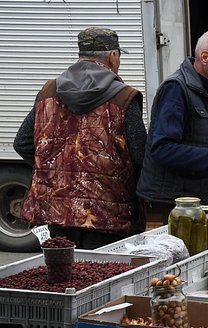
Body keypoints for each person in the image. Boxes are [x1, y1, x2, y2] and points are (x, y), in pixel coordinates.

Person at [14, 27, 147, 249]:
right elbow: (141, 156)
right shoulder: (124, 97)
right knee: (103, 278)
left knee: (63, 278)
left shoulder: (48, 91)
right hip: (108, 217)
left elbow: (22, 142)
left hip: (54, 214)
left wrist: (55, 172)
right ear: (113, 56)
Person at [137, 30, 208, 222]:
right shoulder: (175, 89)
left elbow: (206, 139)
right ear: (204, 57)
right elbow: (163, 148)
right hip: (174, 206)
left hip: (200, 200)